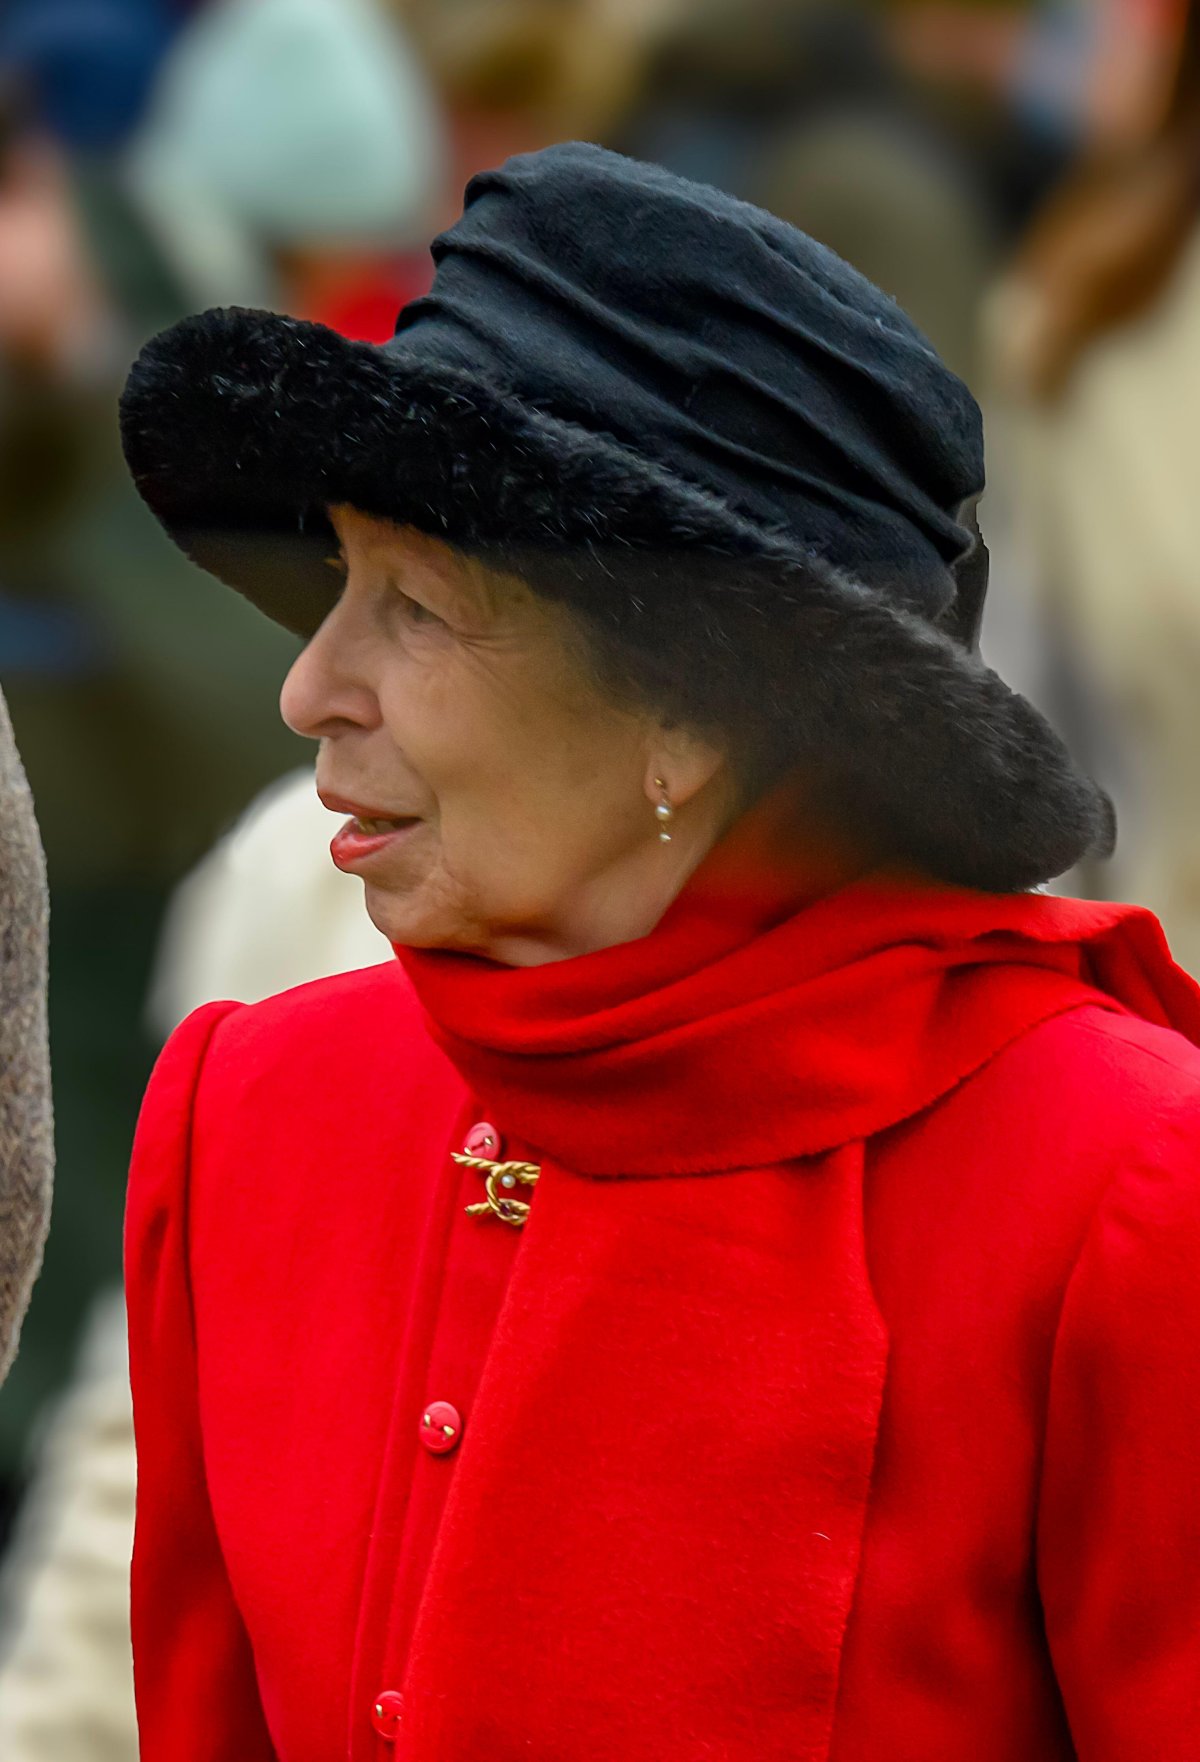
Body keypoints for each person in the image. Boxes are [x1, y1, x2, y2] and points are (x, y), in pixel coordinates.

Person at [119, 143, 1200, 1760]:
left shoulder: (1114, 1187)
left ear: (691, 706)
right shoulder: (251, 1113)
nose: (310, 687)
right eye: (339, 579)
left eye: (418, 607)